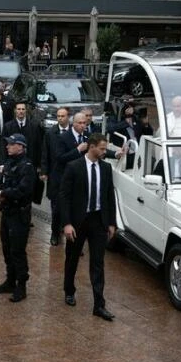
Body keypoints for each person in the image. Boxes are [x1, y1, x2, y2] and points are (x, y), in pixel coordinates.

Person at [59, 133, 116, 320]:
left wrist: (111, 223)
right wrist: (67, 223)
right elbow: (64, 197)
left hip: (98, 220)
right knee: (72, 258)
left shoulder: (106, 168)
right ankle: (69, 290)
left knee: (98, 262)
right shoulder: (74, 167)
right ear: (91, 147)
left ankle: (99, 304)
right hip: (78, 221)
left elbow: (109, 196)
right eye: (102, 148)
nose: (104, 151)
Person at [0, 134, 36, 303]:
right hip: (7, 212)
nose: (7, 147)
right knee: (6, 248)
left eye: (11, 144)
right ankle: (10, 281)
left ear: (21, 147)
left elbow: (23, 190)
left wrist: (3, 193)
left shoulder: (27, 166)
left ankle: (21, 285)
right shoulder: (9, 163)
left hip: (19, 214)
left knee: (17, 250)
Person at [41, 107, 70, 245]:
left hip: (70, 175)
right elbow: (45, 153)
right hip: (55, 175)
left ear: (68, 117)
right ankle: (55, 233)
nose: (60, 118)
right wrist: (44, 172)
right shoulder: (51, 133)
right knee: (56, 207)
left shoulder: (73, 132)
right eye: (58, 116)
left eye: (63, 116)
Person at [0, 103, 43, 175]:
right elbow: (3, 146)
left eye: (23, 109)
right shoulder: (8, 126)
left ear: (26, 111)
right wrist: (2, 163)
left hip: (30, 163)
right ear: (15, 111)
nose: (21, 111)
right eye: (19, 109)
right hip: (13, 163)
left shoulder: (34, 126)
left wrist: (40, 165)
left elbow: (38, 146)